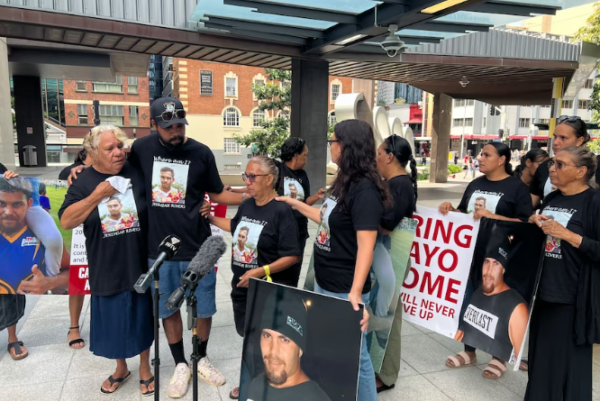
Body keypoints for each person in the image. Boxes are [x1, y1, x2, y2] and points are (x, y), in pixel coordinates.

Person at [69, 97, 247, 397]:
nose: (175, 131)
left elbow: (216, 192)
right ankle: (180, 363)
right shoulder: (141, 149)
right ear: (154, 125)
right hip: (158, 249)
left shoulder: (202, 152)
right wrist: (77, 169)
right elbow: (104, 162)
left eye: (179, 125)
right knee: (168, 309)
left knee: (203, 308)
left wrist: (255, 197)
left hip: (197, 246)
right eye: (168, 127)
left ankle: (200, 357)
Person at [278, 119, 391, 401]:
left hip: (343, 288)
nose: (330, 146)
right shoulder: (343, 183)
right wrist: (295, 203)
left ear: (347, 146)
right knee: (333, 350)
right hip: (325, 283)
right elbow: (325, 219)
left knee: (357, 356)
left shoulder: (364, 190)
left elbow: (367, 245)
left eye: (334, 141)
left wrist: (354, 293)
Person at [59, 125, 155, 396]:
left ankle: (145, 368)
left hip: (138, 261)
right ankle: (121, 368)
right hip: (105, 264)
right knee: (114, 320)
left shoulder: (135, 168)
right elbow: (66, 220)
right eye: (110, 148)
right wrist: (97, 195)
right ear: (92, 154)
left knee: (142, 317)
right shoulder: (84, 181)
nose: (118, 152)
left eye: (120, 146)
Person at [206, 155, 301, 399]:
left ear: (269, 179)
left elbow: (292, 255)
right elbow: (234, 226)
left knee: (267, 341)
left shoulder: (281, 210)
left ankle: (258, 383)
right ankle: (254, 379)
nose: (247, 181)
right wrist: (208, 217)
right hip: (242, 286)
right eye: (245, 176)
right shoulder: (247, 204)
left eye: (252, 176)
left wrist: (261, 271)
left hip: (269, 290)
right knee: (249, 336)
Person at [439, 142, 532, 379]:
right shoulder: (475, 184)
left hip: (500, 257)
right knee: (468, 301)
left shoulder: (516, 188)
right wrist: (451, 210)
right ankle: (468, 350)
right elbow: (465, 214)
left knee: (496, 305)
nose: (480, 158)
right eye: (481, 154)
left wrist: (494, 216)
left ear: (502, 159)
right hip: (470, 254)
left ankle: (498, 356)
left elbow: (525, 225)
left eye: (486, 155)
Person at [525, 146, 600, 401]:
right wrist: (536, 222)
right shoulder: (553, 198)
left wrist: (569, 236)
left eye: (559, 165)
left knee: (568, 363)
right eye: (552, 164)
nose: (552, 169)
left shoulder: (595, 202)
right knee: (541, 358)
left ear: (581, 172)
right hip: (544, 290)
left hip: (574, 296)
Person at [372, 134, 417, 393]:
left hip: (387, 255)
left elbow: (387, 225)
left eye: (379, 153)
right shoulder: (389, 182)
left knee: (389, 316)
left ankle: (386, 375)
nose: (376, 157)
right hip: (378, 253)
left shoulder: (400, 185)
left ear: (389, 156)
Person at [246, 288, 331, 401]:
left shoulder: (315, 398)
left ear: (300, 349)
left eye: (284, 340)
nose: (273, 351)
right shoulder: (255, 386)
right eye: (267, 336)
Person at [454, 235, 529, 363]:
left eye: (495, 264)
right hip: (486, 230)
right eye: (486, 262)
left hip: (510, 229)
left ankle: (500, 358)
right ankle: (469, 351)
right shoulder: (477, 292)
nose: (489, 269)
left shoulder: (517, 307)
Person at [530, 116, 590, 208]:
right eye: (555, 137)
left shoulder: (595, 166)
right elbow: (530, 203)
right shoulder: (545, 166)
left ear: (579, 140)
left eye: (563, 138)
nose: (555, 142)